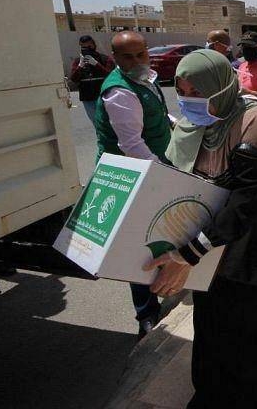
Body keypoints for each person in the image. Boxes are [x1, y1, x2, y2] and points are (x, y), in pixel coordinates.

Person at [143, 50, 257, 409]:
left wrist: (187, 255)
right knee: (215, 307)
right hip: (226, 220)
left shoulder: (255, 124)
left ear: (219, 87)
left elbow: (244, 204)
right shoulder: (203, 121)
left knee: (254, 309)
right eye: (181, 91)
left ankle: (253, 387)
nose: (187, 100)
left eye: (196, 91)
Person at [94, 31, 172, 338]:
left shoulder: (145, 78)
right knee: (138, 249)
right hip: (132, 174)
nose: (138, 60)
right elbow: (131, 144)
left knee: (161, 236)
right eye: (128, 56)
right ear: (115, 58)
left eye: (141, 53)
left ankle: (167, 286)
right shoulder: (119, 92)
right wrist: (165, 172)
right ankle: (146, 314)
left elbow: (157, 116)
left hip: (151, 170)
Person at [69, 35, 116, 121]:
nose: (87, 49)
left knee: (111, 122)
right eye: (83, 47)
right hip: (88, 98)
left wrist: (96, 64)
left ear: (94, 45)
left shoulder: (105, 59)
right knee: (97, 124)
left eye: (89, 46)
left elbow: (110, 75)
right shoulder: (78, 61)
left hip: (104, 96)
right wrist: (80, 66)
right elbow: (73, 79)